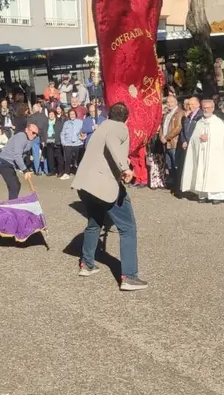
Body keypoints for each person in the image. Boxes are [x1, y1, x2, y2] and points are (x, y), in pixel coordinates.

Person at [70, 102, 147, 291]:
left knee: (95, 222)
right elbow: (112, 142)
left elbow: (104, 149)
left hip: (85, 184)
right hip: (104, 185)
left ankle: (87, 264)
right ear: (126, 119)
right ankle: (129, 276)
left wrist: (122, 161)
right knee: (128, 228)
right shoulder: (118, 128)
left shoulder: (101, 127)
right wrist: (125, 167)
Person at [179, 99, 224, 204]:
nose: (206, 110)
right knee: (201, 171)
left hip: (215, 155)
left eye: (208, 108)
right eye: (204, 108)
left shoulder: (218, 123)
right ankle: (203, 194)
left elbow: (222, 140)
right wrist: (199, 138)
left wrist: (209, 138)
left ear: (213, 108)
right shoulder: (199, 122)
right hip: (202, 154)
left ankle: (218, 195)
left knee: (215, 173)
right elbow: (193, 139)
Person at [0, 124, 37, 199]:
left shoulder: (29, 140)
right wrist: (25, 170)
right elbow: (17, 156)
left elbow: (23, 155)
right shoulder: (21, 136)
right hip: (3, 162)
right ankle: (12, 206)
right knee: (14, 186)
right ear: (27, 130)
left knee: (16, 185)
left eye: (36, 134)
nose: (34, 135)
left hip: (9, 164)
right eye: (33, 133)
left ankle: (11, 203)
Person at [175, 97, 203, 198]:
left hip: (195, 145)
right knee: (184, 167)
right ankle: (184, 188)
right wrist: (184, 140)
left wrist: (190, 141)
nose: (190, 106)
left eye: (192, 104)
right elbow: (183, 130)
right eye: (189, 104)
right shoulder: (188, 116)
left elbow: (198, 131)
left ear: (198, 104)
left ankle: (195, 190)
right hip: (186, 145)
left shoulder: (201, 116)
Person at [161, 96, 184, 191]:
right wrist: (161, 136)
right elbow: (162, 126)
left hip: (174, 143)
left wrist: (166, 137)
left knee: (176, 165)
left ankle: (178, 185)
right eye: (168, 102)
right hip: (166, 143)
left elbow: (178, 128)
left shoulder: (180, 112)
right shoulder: (167, 114)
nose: (169, 104)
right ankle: (173, 183)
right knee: (169, 165)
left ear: (176, 102)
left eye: (171, 102)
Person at [60, 109, 84, 179]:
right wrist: (63, 142)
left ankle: (79, 173)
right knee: (67, 159)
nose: (72, 115)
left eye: (73, 114)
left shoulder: (80, 122)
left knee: (78, 159)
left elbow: (83, 132)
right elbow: (62, 133)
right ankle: (67, 173)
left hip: (78, 144)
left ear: (75, 115)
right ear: (69, 115)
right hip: (68, 144)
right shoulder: (66, 123)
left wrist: (82, 138)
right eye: (70, 114)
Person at [28, 104, 49, 175]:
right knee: (44, 153)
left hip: (35, 136)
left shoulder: (31, 117)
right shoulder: (45, 117)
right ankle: (46, 170)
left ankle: (38, 170)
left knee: (36, 154)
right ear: (39, 109)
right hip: (44, 136)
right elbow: (46, 128)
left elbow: (28, 128)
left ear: (34, 109)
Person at [45, 110, 65, 178]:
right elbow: (43, 131)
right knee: (50, 157)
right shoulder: (46, 123)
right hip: (49, 141)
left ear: (55, 115)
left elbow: (61, 132)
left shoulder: (59, 123)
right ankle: (52, 171)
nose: (51, 115)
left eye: (52, 114)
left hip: (57, 142)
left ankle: (61, 171)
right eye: (50, 114)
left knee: (59, 157)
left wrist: (58, 140)